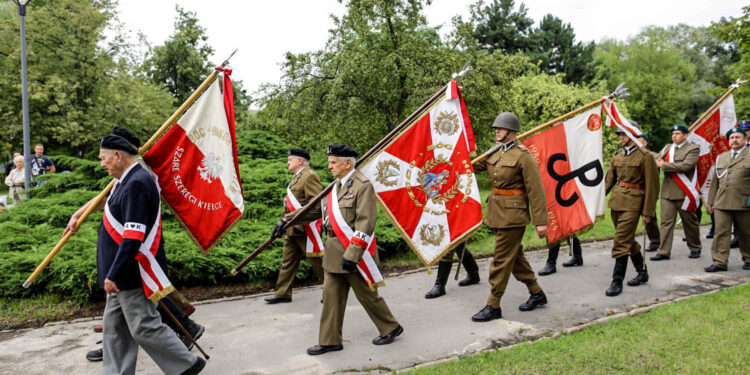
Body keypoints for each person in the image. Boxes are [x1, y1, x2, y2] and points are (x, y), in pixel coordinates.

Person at [64, 129, 205, 375]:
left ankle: (187, 365)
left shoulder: (138, 183)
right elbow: (105, 201)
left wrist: (114, 273)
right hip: (120, 274)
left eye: (103, 157)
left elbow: (133, 236)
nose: (101, 163)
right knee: (115, 329)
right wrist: (78, 214)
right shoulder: (125, 180)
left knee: (143, 326)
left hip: (130, 272)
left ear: (118, 156)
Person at [292, 144, 402, 356]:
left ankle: (391, 327)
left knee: (368, 296)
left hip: (353, 254)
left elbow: (365, 223)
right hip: (333, 254)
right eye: (330, 162)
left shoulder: (363, 186)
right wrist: (286, 221)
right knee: (331, 296)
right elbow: (315, 211)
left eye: (333, 162)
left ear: (347, 163)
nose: (329, 166)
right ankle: (330, 340)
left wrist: (353, 255)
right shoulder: (334, 187)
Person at [470, 112, 549, 322]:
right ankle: (536, 292)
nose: (497, 130)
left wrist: (541, 221)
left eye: (501, 128)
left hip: (514, 216)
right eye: (496, 128)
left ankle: (493, 304)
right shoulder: (494, 152)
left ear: (512, 132)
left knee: (501, 259)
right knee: (515, 258)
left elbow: (536, 190)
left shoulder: (523, 156)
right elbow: (471, 166)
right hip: (497, 213)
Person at [603, 124, 659, 296]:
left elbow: (652, 186)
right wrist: (595, 201)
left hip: (634, 204)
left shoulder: (645, 156)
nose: (621, 137)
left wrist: (648, 212)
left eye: (624, 134)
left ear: (633, 135)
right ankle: (642, 272)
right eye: (620, 134)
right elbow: (608, 182)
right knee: (627, 240)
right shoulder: (617, 156)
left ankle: (616, 282)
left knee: (620, 241)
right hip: (616, 202)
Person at [266, 148, 326, 304]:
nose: (287, 162)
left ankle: (333, 292)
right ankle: (283, 293)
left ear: (300, 161)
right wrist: (285, 221)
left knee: (319, 262)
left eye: (290, 159)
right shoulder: (296, 178)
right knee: (288, 262)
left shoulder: (310, 176)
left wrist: (287, 219)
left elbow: (316, 206)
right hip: (293, 227)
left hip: (306, 228)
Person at [650, 124, 702, 261]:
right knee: (666, 223)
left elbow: (686, 166)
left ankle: (695, 247)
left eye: (678, 133)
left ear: (685, 135)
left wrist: (664, 165)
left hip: (684, 193)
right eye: (673, 133)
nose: (674, 136)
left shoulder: (693, 149)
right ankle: (663, 251)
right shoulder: (669, 148)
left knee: (689, 223)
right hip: (667, 192)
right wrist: (644, 150)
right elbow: (658, 158)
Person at [704, 127, 750, 272]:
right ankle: (719, 262)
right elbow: (715, 182)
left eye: (738, 137)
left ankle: (748, 258)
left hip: (743, 202)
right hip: (722, 202)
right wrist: (710, 201)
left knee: (746, 232)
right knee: (720, 232)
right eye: (732, 138)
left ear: (745, 139)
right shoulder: (721, 157)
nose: (734, 140)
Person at [635, 133, 661, 252]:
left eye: (639, 141)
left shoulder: (653, 156)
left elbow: (656, 171)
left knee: (649, 216)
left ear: (645, 143)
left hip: (647, 189)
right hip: (634, 190)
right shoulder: (632, 155)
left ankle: (655, 241)